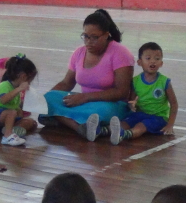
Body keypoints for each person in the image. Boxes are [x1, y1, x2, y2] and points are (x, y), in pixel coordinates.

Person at [43, 9, 133, 141]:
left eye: (94, 37)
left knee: (98, 112)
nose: (89, 41)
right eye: (85, 36)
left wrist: (86, 97)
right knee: (49, 98)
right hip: (83, 101)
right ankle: (82, 128)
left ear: (106, 35)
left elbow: (122, 92)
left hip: (111, 104)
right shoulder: (79, 53)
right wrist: (42, 99)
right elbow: (67, 83)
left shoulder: (120, 53)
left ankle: (66, 121)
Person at [109, 42, 178, 145]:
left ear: (161, 63)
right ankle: (104, 131)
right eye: (148, 58)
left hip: (158, 117)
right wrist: (131, 105)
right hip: (140, 114)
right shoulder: (135, 81)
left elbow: (174, 104)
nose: (153, 61)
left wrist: (170, 124)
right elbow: (132, 100)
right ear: (140, 62)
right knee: (124, 123)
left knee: (141, 126)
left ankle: (124, 135)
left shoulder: (164, 82)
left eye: (157, 59)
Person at [0, 54, 39, 147]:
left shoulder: (16, 88)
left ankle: (10, 130)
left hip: (5, 118)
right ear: (23, 76)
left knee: (31, 122)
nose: (29, 83)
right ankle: (7, 136)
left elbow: (13, 105)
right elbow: (3, 100)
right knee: (11, 113)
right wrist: (19, 90)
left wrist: (20, 108)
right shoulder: (5, 85)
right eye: (29, 80)